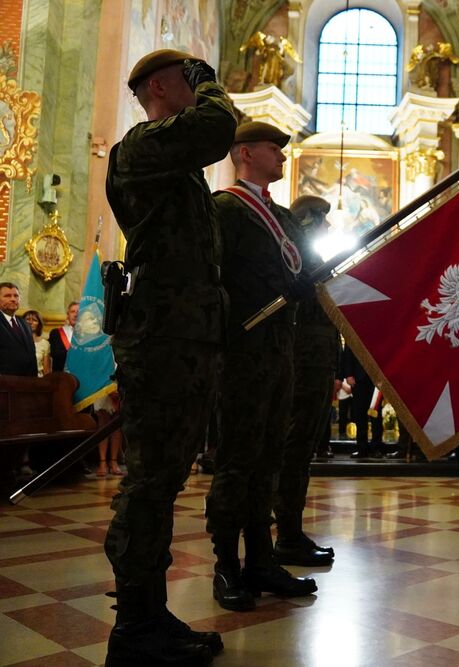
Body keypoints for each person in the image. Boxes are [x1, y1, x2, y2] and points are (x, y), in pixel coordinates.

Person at [103, 48, 236, 666]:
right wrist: (211, 84)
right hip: (160, 342)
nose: (198, 90)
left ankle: (151, 614)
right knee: (149, 484)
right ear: (160, 86)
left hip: (186, 340)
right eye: (188, 81)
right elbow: (217, 128)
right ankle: (134, 627)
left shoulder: (177, 171)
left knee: (165, 482)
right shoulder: (138, 149)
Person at [205, 121, 317, 613]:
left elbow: (302, 267)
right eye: (274, 149)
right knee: (238, 460)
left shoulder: (284, 217)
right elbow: (212, 277)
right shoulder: (225, 209)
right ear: (245, 153)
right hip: (243, 352)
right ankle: (227, 563)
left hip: (280, 351)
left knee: (269, 456)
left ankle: (261, 559)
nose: (282, 156)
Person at [273, 195, 340, 567]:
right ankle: (287, 533)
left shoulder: (312, 261)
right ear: (308, 223)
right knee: (295, 448)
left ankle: (290, 529)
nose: (328, 228)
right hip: (305, 361)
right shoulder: (299, 261)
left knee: (302, 449)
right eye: (323, 221)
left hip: (319, 360)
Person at [340, 344, 384, 458]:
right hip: (357, 378)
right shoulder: (356, 326)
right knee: (359, 415)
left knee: (376, 414)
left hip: (377, 378)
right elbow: (348, 352)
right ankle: (362, 448)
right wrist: (348, 374)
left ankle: (376, 448)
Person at [0, 283, 39, 377]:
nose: (13, 299)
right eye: (7, 296)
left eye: (16, 296)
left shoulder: (25, 324)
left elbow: (31, 354)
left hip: (27, 383)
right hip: (4, 384)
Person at [48, 301, 78, 372]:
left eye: (78, 312)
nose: (76, 314)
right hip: (61, 376)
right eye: (72, 312)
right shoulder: (56, 333)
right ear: (68, 315)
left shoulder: (89, 335)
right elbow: (56, 354)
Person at [22, 309, 51, 376]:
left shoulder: (45, 344)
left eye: (34, 320)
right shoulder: (17, 340)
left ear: (39, 324)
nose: (30, 322)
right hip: (20, 380)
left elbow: (47, 371)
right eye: (28, 319)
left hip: (38, 380)